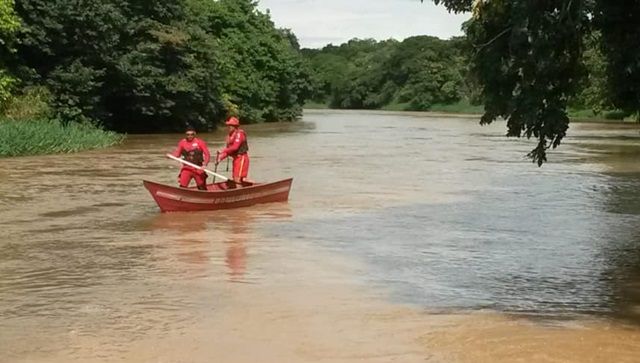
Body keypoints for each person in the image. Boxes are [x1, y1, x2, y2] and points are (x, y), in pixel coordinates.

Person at [169, 126, 211, 190]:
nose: (190, 136)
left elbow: (207, 155)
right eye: (188, 134)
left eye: (192, 134)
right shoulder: (182, 143)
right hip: (186, 168)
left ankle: (205, 197)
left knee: (202, 187)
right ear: (186, 135)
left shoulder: (200, 142)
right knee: (182, 187)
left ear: (195, 134)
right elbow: (177, 154)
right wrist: (170, 155)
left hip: (198, 168)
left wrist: (205, 164)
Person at [216, 116, 250, 186]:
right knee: (235, 178)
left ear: (235, 126)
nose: (228, 127)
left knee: (237, 179)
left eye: (230, 126)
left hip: (242, 158)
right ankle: (242, 187)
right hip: (236, 159)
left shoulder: (239, 134)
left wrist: (222, 150)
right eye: (228, 126)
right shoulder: (229, 136)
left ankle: (241, 192)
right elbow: (229, 151)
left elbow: (235, 147)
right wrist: (220, 158)